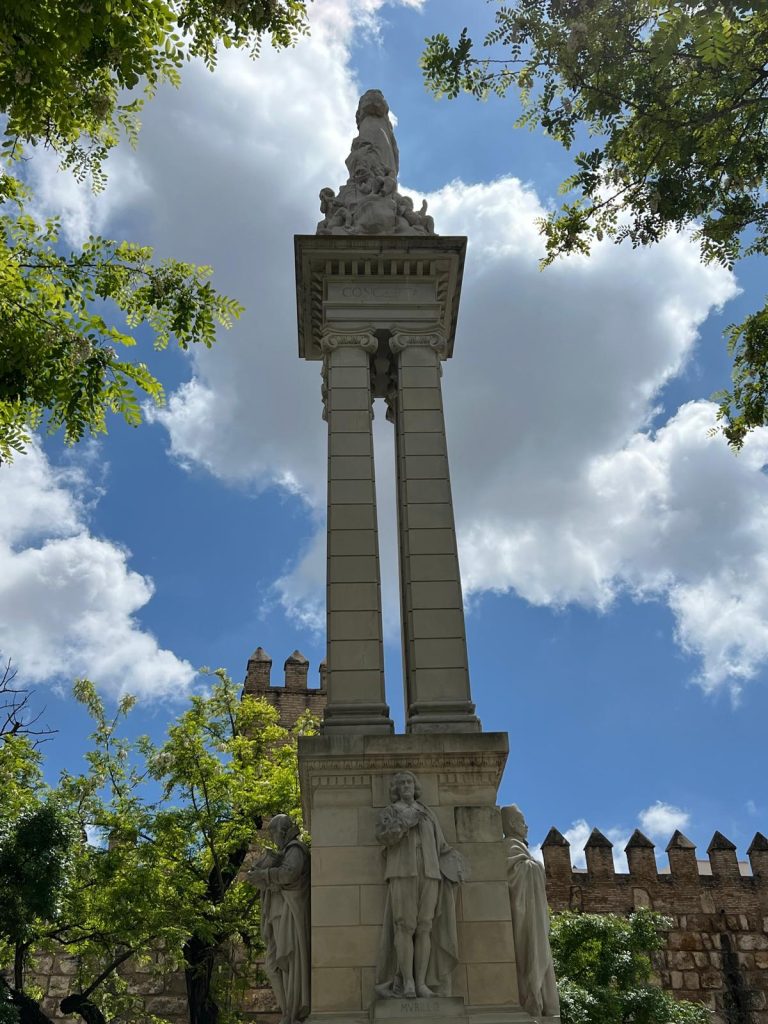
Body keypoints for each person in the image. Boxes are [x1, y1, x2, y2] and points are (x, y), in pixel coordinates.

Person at [374, 771, 464, 1000]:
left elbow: (441, 846)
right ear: (395, 788)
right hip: (402, 872)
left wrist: (456, 866)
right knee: (405, 926)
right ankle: (408, 982)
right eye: (401, 783)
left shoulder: (427, 813)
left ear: (415, 787)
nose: (406, 786)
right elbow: (383, 837)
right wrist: (404, 823)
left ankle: (422, 983)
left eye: (409, 782)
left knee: (425, 926)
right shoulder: (391, 811)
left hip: (430, 872)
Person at [247, 814, 311, 1024]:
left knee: (288, 961)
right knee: (273, 965)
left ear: (282, 831)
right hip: (276, 915)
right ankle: (287, 1013)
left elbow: (289, 874)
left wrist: (264, 875)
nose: (274, 839)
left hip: (289, 913)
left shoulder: (295, 849)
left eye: (274, 834)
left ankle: (292, 1014)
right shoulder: (284, 852)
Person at [502, 805, 560, 1019]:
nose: (526, 827)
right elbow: (515, 873)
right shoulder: (510, 846)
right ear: (510, 825)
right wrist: (534, 866)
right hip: (524, 914)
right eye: (522, 822)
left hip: (531, 910)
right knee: (533, 952)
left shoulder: (518, 847)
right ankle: (533, 999)